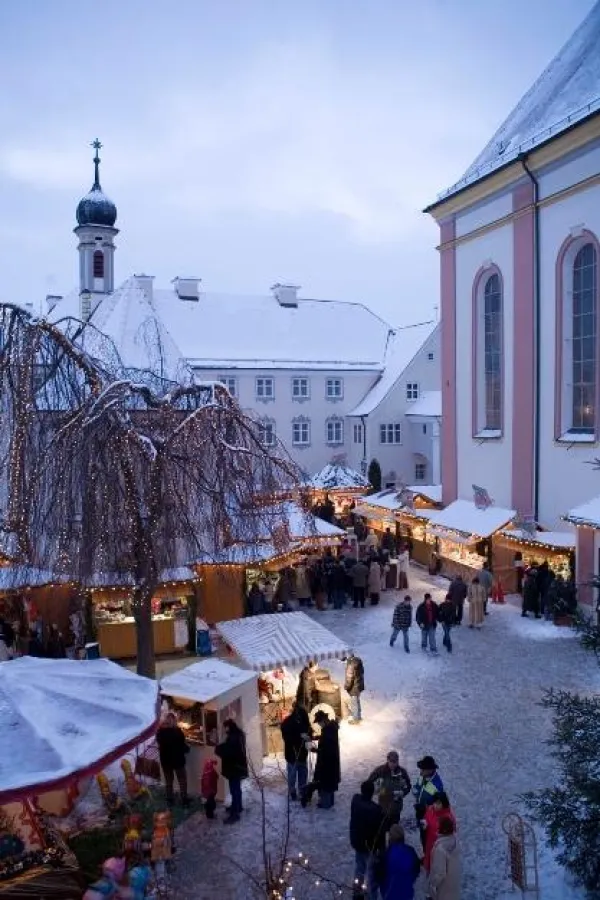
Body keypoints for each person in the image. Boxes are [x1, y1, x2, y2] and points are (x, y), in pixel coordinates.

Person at [349, 781, 387, 900]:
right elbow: (380, 832)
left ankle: (357, 893)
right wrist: (382, 849)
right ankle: (371, 897)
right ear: (372, 793)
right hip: (370, 846)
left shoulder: (355, 800)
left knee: (359, 869)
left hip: (357, 843)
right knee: (371, 875)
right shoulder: (376, 810)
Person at [302, 709, 340, 809]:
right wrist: (314, 738)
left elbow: (327, 750)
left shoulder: (328, 730)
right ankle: (326, 800)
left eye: (319, 722)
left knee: (325, 783)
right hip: (329, 762)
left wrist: (314, 749)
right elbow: (325, 740)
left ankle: (324, 802)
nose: (319, 724)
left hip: (327, 763)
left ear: (323, 720)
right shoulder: (330, 728)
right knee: (324, 782)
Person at [215, 718, 248, 823]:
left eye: (225, 727)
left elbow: (228, 752)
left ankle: (235, 813)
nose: (224, 730)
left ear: (228, 727)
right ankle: (237, 806)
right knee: (236, 789)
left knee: (234, 790)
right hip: (238, 767)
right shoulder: (238, 734)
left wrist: (218, 748)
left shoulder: (233, 738)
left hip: (234, 768)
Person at [366, 750, 411, 826]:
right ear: (387, 760)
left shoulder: (402, 772)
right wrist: (380, 791)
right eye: (391, 761)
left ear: (398, 761)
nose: (393, 764)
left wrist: (403, 793)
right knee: (383, 830)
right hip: (383, 808)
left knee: (393, 830)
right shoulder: (380, 771)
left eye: (395, 762)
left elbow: (408, 786)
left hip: (396, 809)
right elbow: (368, 783)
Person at [156, 712, 190, 807]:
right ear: (174, 721)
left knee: (169, 781)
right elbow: (182, 746)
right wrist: (187, 749)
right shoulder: (177, 732)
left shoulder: (160, 733)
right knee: (182, 780)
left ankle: (170, 800)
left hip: (166, 762)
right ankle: (184, 799)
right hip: (178, 761)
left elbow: (160, 744)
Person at [280, 701, 311, 801]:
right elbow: (286, 737)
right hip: (292, 754)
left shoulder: (304, 719)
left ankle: (302, 792)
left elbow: (308, 729)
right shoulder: (287, 722)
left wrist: (308, 736)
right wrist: (300, 737)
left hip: (302, 754)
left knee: (302, 774)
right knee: (292, 776)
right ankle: (293, 791)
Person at [382, 824, 421, 900]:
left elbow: (379, 875)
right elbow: (416, 869)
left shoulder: (386, 854)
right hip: (406, 892)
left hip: (389, 893)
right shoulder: (410, 851)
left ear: (390, 837)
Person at [413, 756, 444, 851]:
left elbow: (439, 806)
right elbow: (416, 787)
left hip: (428, 817)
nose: (420, 772)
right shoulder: (422, 776)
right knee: (422, 836)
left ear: (430, 770)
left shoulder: (437, 786)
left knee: (428, 838)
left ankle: (429, 857)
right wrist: (415, 792)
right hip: (420, 811)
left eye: (423, 769)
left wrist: (426, 808)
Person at [423, 792, 457, 873]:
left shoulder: (448, 818)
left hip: (440, 847)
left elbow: (451, 834)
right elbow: (426, 818)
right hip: (429, 843)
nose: (435, 805)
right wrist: (425, 824)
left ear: (444, 803)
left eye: (438, 803)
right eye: (434, 802)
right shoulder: (430, 810)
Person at [429, 818, 461, 900]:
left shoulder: (440, 848)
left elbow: (440, 873)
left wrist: (432, 883)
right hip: (453, 882)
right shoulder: (456, 841)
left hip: (444, 887)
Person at [345, 652, 365, 723]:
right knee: (357, 700)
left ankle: (355, 719)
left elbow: (349, 678)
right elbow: (362, 672)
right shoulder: (358, 662)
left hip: (354, 687)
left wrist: (347, 687)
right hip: (359, 685)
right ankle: (358, 716)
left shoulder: (350, 665)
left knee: (354, 702)